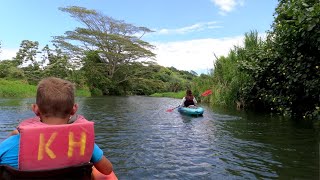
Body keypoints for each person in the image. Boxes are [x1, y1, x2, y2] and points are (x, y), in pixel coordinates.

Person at [0, 77, 113, 177]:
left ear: (35, 109)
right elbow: (107, 170)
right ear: (74, 109)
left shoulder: (12, 144)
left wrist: (13, 137)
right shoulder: (83, 142)